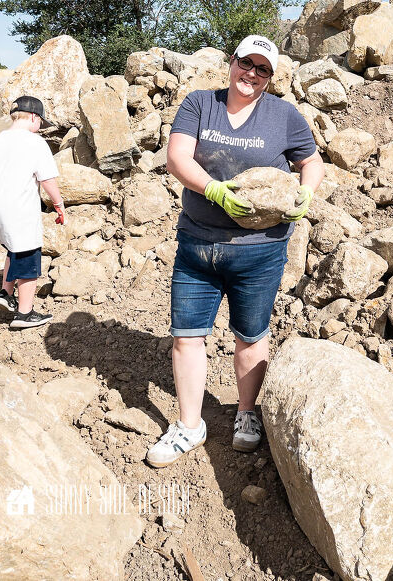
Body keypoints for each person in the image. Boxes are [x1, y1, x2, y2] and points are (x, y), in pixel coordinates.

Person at [146, 35, 324, 467]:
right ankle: (190, 425)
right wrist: (215, 191)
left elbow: (311, 161)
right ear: (232, 62)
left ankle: (246, 414)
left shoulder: (283, 115)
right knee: (186, 337)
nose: (252, 75)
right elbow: (177, 158)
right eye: (247, 64)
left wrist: (306, 193)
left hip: (259, 251)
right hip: (198, 244)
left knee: (250, 336)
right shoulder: (199, 104)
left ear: (271, 77)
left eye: (263, 70)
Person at [0, 95, 65, 330]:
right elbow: (47, 178)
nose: (40, 128)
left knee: (14, 248)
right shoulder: (34, 143)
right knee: (29, 256)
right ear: (33, 117)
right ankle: (24, 313)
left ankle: (5, 294)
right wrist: (59, 205)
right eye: (40, 122)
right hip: (18, 210)